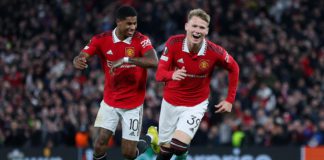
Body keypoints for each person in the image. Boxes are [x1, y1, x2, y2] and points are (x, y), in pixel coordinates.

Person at [73, 6, 159, 160]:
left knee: (128, 153)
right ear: (118, 22)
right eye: (129, 24)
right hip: (110, 102)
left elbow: (154, 61)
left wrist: (126, 59)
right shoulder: (101, 39)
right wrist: (78, 60)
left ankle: (150, 137)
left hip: (133, 105)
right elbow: (83, 55)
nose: (133, 27)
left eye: (135, 23)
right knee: (98, 145)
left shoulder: (141, 40)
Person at [153, 8, 240, 160]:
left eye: (202, 27)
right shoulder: (173, 43)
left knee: (179, 146)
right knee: (165, 152)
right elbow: (159, 74)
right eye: (194, 26)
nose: (197, 30)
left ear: (207, 30)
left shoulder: (214, 51)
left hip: (195, 104)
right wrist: (172, 74)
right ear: (187, 26)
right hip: (170, 102)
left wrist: (229, 99)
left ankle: (182, 152)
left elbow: (234, 68)